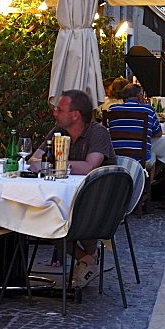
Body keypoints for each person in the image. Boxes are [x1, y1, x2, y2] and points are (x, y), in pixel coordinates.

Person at [29, 89, 117, 287]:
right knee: (44, 220)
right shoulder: (58, 132)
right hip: (65, 198)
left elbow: (89, 167)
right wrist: (47, 162)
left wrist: (50, 163)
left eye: (59, 109)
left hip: (99, 203)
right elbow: (34, 159)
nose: (54, 113)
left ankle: (89, 259)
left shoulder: (97, 133)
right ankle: (88, 259)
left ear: (75, 114)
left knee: (73, 219)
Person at [106, 84, 162, 167]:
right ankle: (147, 179)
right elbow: (158, 133)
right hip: (140, 158)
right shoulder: (147, 110)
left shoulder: (112, 109)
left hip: (116, 157)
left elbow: (109, 127)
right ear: (139, 96)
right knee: (157, 157)